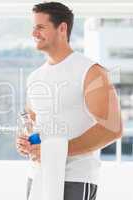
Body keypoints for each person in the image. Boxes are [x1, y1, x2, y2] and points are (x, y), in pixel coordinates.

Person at [16, 2, 123, 200]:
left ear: (62, 28)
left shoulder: (91, 72)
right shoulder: (35, 77)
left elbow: (112, 128)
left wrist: (53, 151)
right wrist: (25, 142)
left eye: (40, 27)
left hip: (75, 178)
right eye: (33, 28)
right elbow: (32, 124)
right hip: (38, 175)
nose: (34, 33)